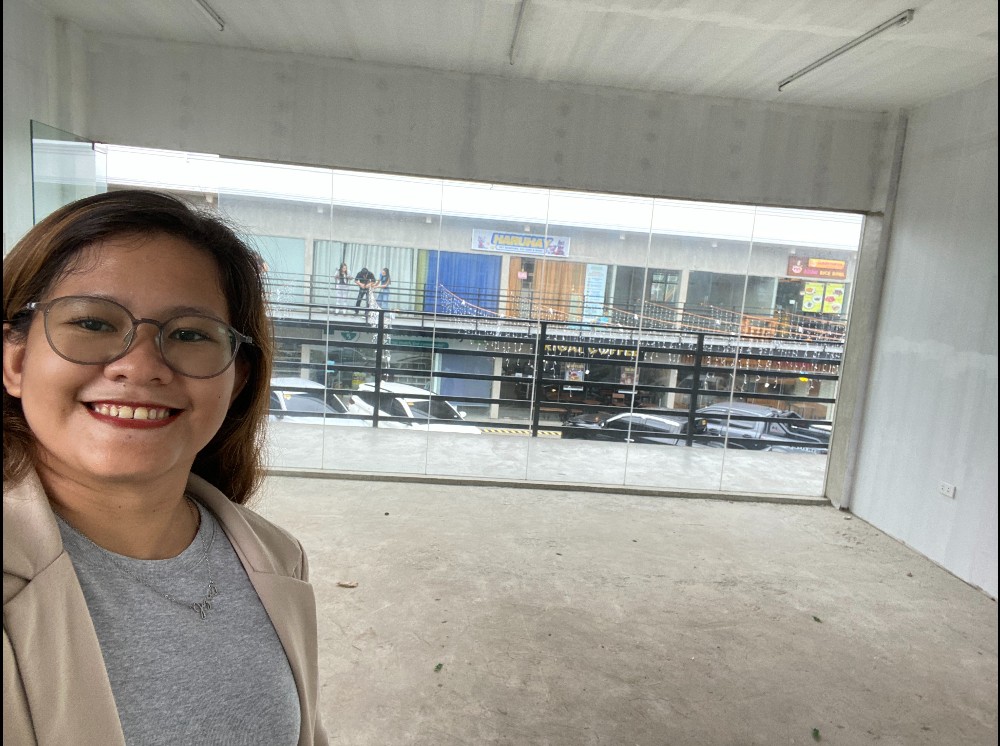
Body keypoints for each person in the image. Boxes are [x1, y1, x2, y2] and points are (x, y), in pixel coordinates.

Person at [2, 190, 328, 744]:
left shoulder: (277, 557)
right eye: (93, 323)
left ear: (236, 380)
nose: (140, 366)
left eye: (191, 334)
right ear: (15, 361)